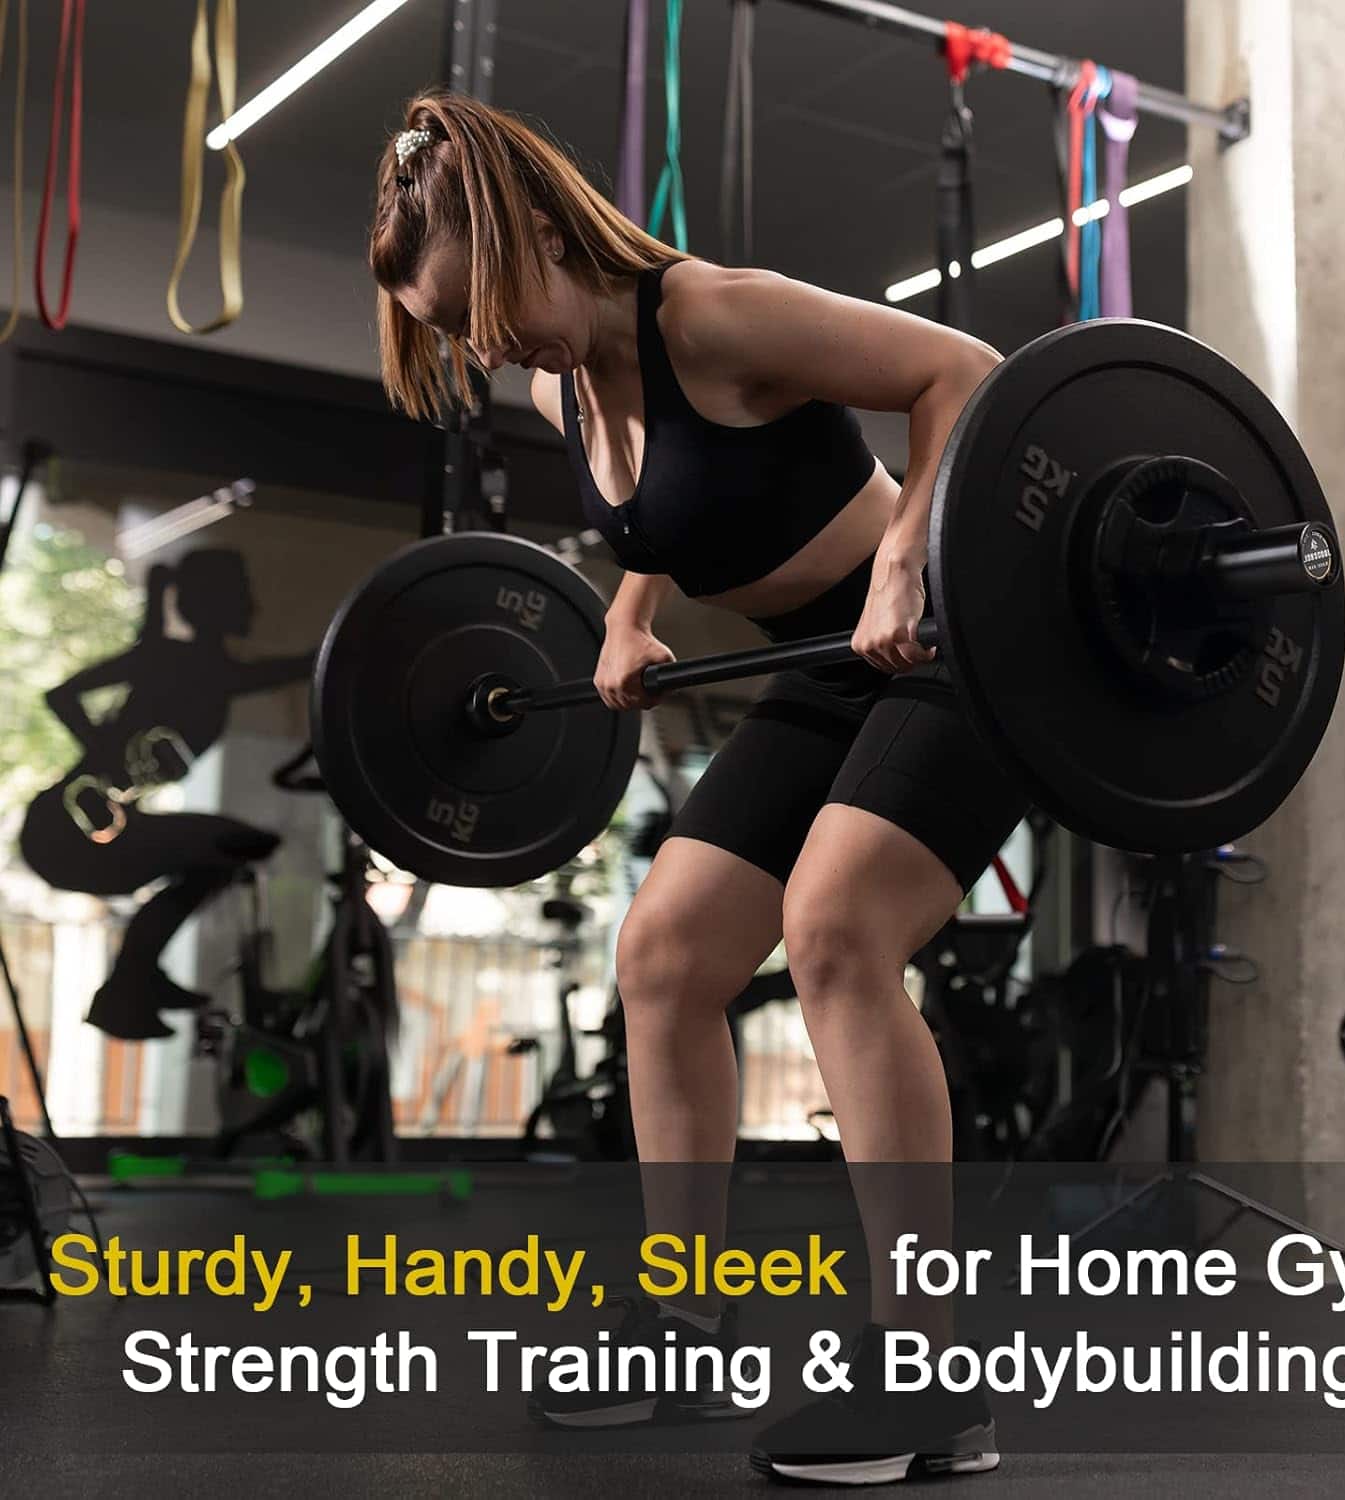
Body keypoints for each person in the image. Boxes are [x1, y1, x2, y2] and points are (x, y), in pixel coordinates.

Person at [371, 94, 1026, 1484]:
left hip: (954, 641)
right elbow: (663, 506)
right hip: (823, 664)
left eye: (478, 305)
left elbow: (964, 368)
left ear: (538, 232)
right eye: (453, 331)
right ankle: (682, 1319)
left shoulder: (712, 314)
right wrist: (628, 610)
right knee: (664, 953)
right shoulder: (558, 378)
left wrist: (910, 547)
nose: (483, 347)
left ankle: (929, 1376)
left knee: (840, 931)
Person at [21, 550, 314, 1041]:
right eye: (244, 593)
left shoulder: (191, 662)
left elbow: (297, 667)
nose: (255, 607)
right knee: (232, 845)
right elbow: (62, 695)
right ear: (218, 602)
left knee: (226, 851)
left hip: (96, 826)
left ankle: (134, 980)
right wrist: (105, 750)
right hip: (71, 828)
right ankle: (131, 982)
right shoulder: (182, 662)